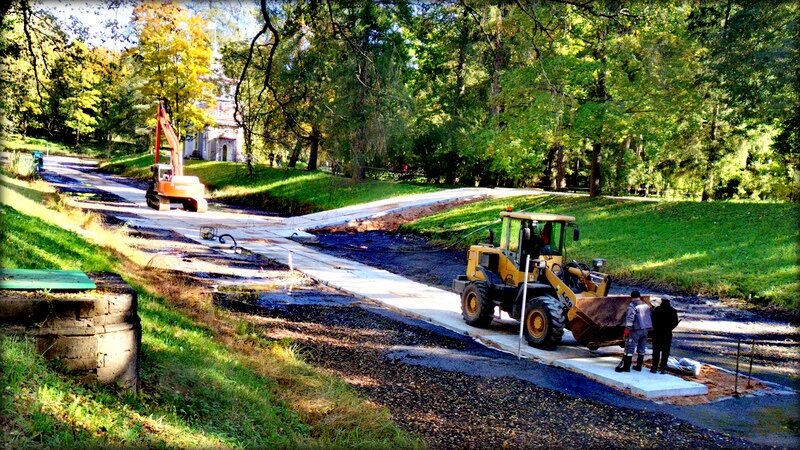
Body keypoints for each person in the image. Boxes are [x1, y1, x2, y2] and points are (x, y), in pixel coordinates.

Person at [615, 290, 653, 373]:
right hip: (645, 330)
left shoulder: (632, 306)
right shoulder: (645, 305)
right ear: (639, 296)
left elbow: (630, 319)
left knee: (629, 348)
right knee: (642, 348)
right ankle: (639, 367)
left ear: (631, 297)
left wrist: (627, 330)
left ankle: (626, 368)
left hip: (635, 330)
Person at [651, 298, 680, 374]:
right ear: (669, 301)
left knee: (656, 351)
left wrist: (656, 327)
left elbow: (652, 320)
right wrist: (669, 328)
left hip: (657, 332)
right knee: (665, 352)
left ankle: (654, 368)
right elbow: (675, 323)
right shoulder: (673, 311)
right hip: (667, 333)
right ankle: (663, 369)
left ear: (662, 301)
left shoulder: (657, 309)